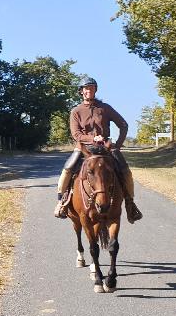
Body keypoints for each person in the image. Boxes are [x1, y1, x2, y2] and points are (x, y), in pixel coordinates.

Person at [54, 77, 143, 223]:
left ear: (95, 90)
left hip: (105, 149)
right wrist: (92, 138)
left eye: (92, 88)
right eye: (86, 88)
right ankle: (61, 201)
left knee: (125, 171)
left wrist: (118, 145)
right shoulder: (76, 111)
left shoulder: (105, 108)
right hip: (84, 148)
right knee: (68, 169)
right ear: (81, 91)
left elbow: (123, 125)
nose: (89, 90)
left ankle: (130, 204)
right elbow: (76, 134)